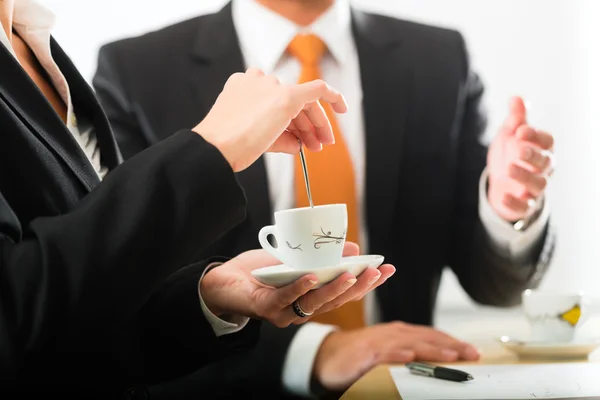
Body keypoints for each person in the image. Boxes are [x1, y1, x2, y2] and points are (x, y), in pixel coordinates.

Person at [93, 0, 557, 398]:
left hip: (401, 385)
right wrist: (316, 350)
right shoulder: (136, 71)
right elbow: (126, 284)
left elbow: (494, 285)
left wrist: (506, 209)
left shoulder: (439, 58)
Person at [0, 0, 396, 397]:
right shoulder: (132, 63)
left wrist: (207, 296)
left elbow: (77, 320)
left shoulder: (34, 42)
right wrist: (211, 148)